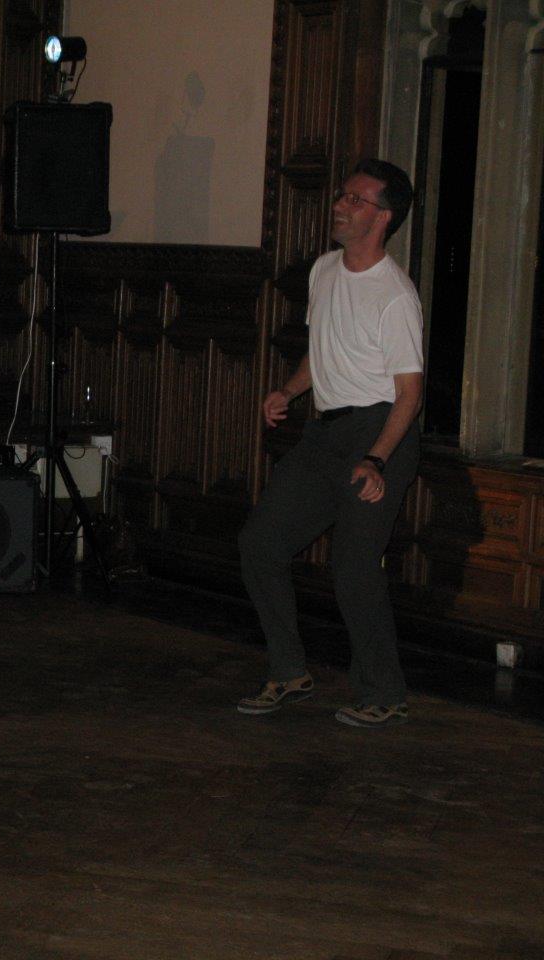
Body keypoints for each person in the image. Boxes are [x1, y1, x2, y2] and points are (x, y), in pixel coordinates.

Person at [236, 159, 424, 728]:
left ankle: (384, 692)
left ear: (384, 217)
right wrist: (288, 391)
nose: (340, 205)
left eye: (355, 200)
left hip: (379, 433)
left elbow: (409, 394)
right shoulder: (323, 270)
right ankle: (289, 670)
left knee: (353, 567)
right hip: (326, 431)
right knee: (261, 543)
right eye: (342, 195)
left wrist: (376, 460)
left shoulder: (395, 296)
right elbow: (323, 351)